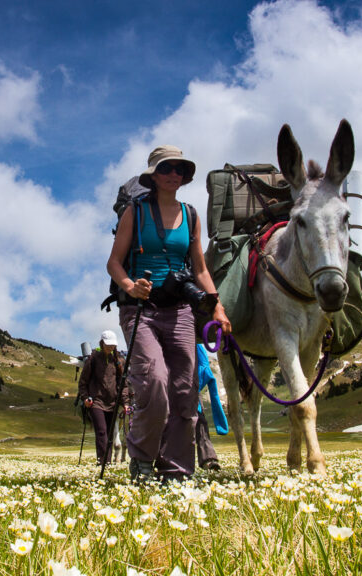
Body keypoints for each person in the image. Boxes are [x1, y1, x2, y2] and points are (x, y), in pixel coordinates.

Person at [106, 145, 232, 483]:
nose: (173, 174)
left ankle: (176, 470)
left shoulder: (191, 215)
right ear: (153, 175)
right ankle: (143, 459)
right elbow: (114, 262)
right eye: (166, 168)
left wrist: (217, 307)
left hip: (181, 311)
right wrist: (130, 286)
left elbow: (201, 269)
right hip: (141, 310)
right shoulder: (135, 212)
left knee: (184, 391)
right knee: (155, 382)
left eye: (179, 169)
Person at [78, 330, 128, 466]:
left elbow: (122, 384)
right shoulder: (93, 358)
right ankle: (103, 463)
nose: (110, 347)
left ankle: (107, 463)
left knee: (110, 435)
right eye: (108, 345)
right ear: (102, 343)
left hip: (112, 402)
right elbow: (83, 382)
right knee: (101, 432)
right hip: (96, 402)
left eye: (113, 345)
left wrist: (125, 402)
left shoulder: (118, 361)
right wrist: (85, 398)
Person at [195, 343, 227, 471]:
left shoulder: (196, 346)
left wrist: (195, 386)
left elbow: (204, 367)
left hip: (191, 387)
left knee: (200, 421)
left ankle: (208, 459)